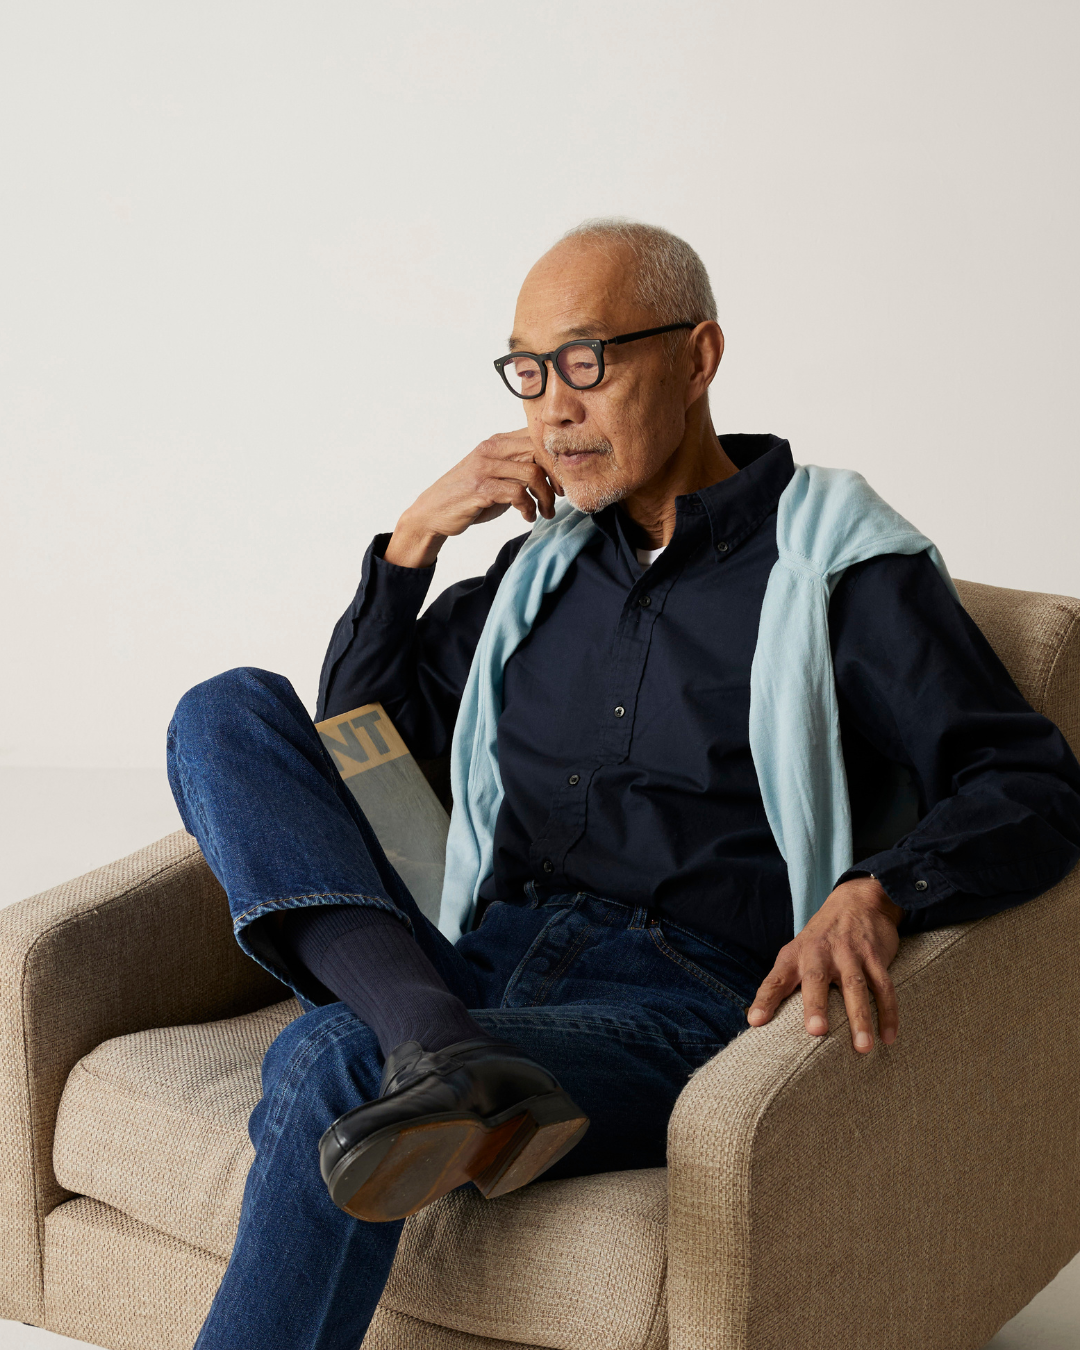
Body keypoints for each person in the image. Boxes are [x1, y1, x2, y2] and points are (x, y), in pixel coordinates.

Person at [167, 218, 1080, 1350]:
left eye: (586, 362)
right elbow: (365, 759)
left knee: (328, 1059)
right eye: (529, 371)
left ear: (698, 357)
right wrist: (413, 543)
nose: (553, 408)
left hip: (677, 1009)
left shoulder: (837, 570)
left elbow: (1030, 781)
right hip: (481, 965)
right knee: (225, 712)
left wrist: (882, 890)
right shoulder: (535, 576)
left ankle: (419, 1046)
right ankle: (436, 1043)